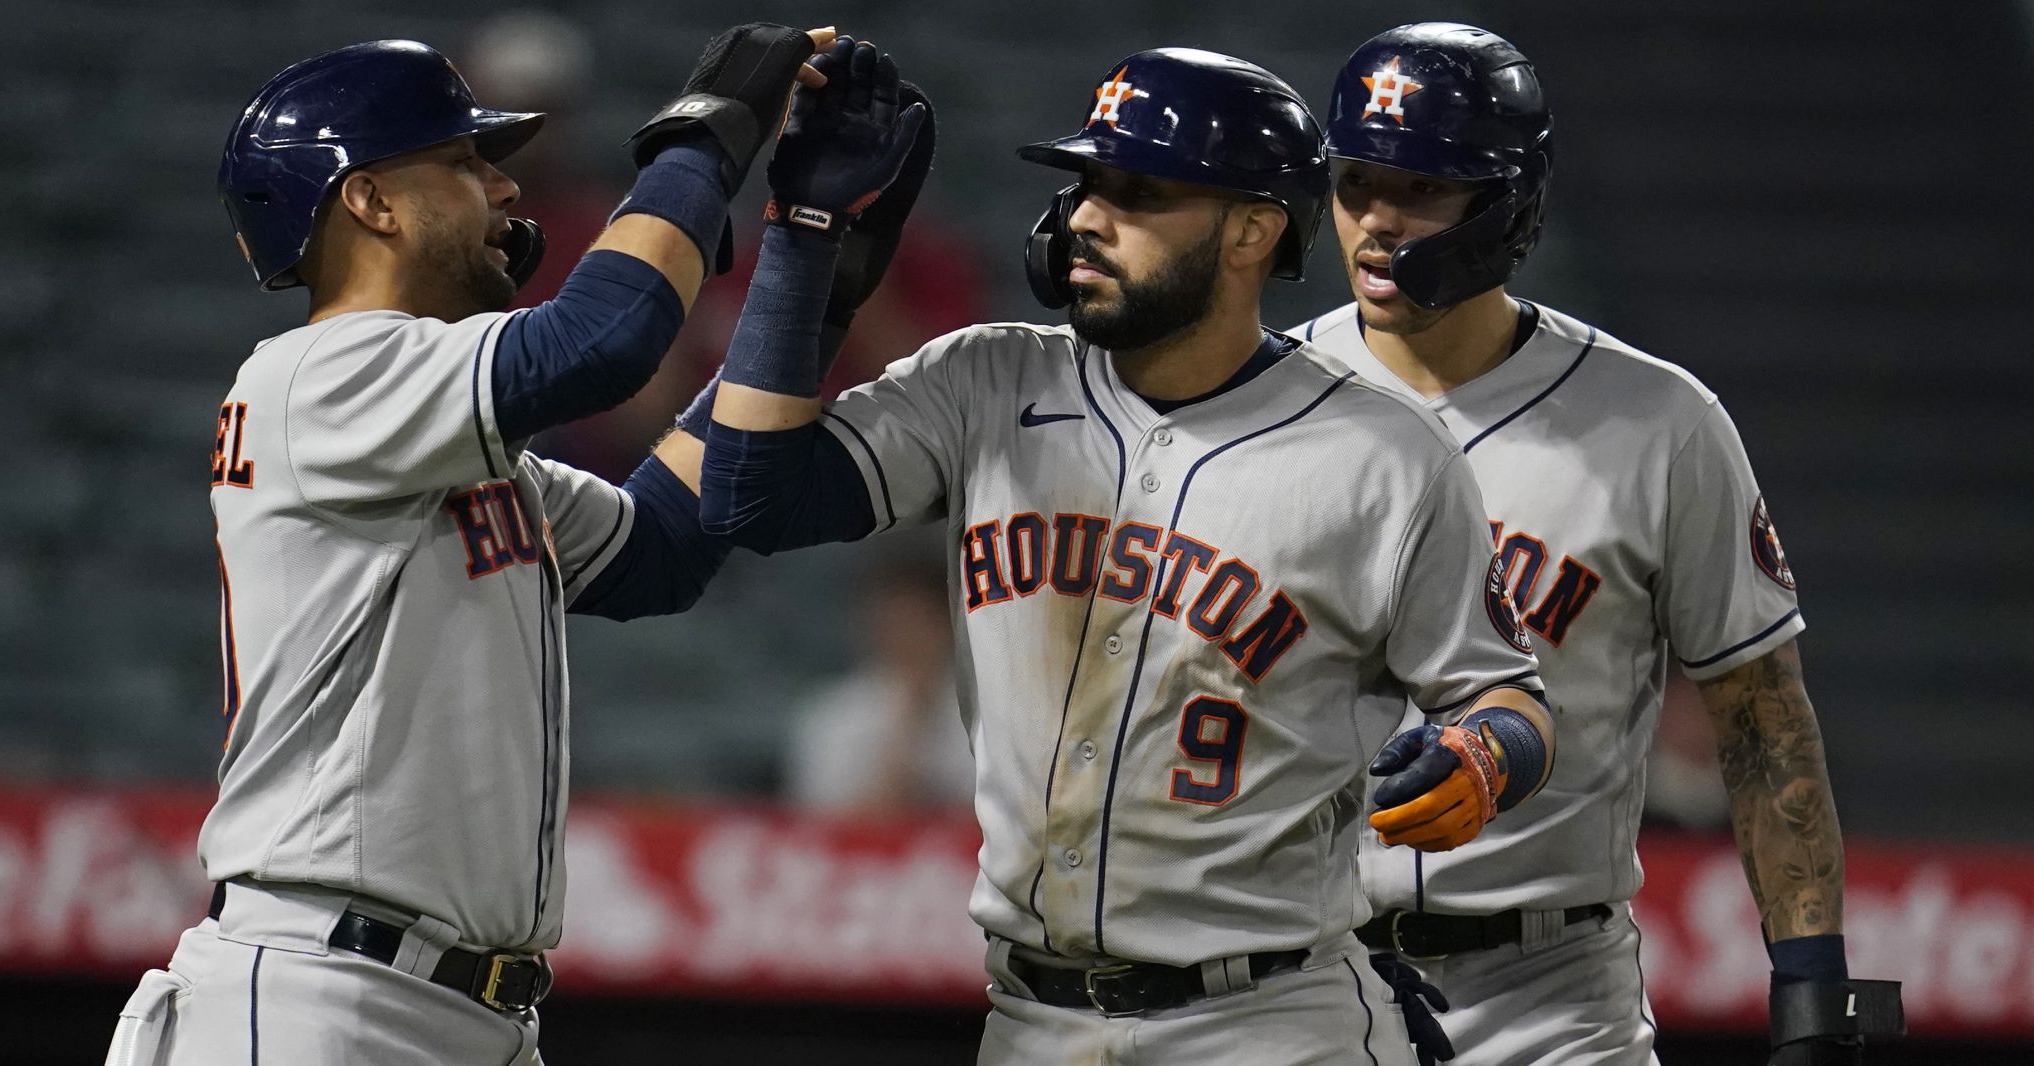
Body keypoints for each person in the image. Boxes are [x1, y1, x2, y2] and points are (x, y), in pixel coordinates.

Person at [699, 44, 1557, 1065]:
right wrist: (803, 238)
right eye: (1086, 184)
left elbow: (1506, 697)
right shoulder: (984, 381)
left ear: (1251, 230)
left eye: (1139, 192)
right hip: (1027, 1021)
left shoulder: (1381, 453)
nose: (1087, 218)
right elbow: (745, 494)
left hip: (1269, 1024)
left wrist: (1484, 754)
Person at [106, 25, 857, 1065]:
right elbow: (600, 339)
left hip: (450, 1008)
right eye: (464, 165)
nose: (507, 193)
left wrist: (805, 251)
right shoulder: (315, 377)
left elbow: (665, 549)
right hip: (319, 996)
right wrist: (706, 137)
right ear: (367, 200)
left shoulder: (423, 427)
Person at [1291, 21, 1901, 1066]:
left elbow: (1759, 719)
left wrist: (1811, 985)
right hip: (1296, 977)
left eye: (1421, 186)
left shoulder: (1656, 421)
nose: (1378, 218)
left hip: (1548, 997)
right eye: (1355, 181)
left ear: (1508, 203)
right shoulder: (1264, 400)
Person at [784, 549, 973, 813]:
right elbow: (820, 823)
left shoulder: (989, 715)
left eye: (920, 624)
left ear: (950, 625)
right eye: (895, 624)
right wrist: (903, 729)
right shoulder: (831, 714)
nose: (908, 639)